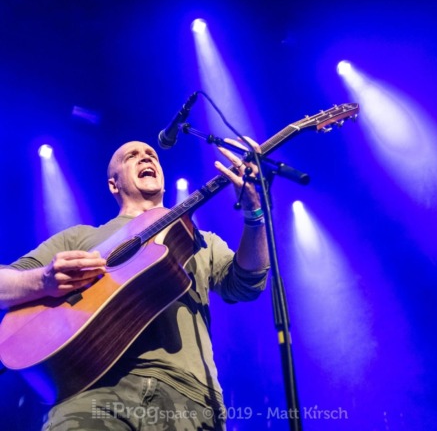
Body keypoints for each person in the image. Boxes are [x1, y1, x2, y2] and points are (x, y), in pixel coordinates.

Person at [0, 138, 269, 430]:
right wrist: (44, 280)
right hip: (90, 394)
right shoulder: (79, 237)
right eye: (132, 156)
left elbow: (247, 284)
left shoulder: (199, 241)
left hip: (187, 398)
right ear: (113, 185)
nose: (145, 158)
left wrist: (255, 215)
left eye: (151, 154)